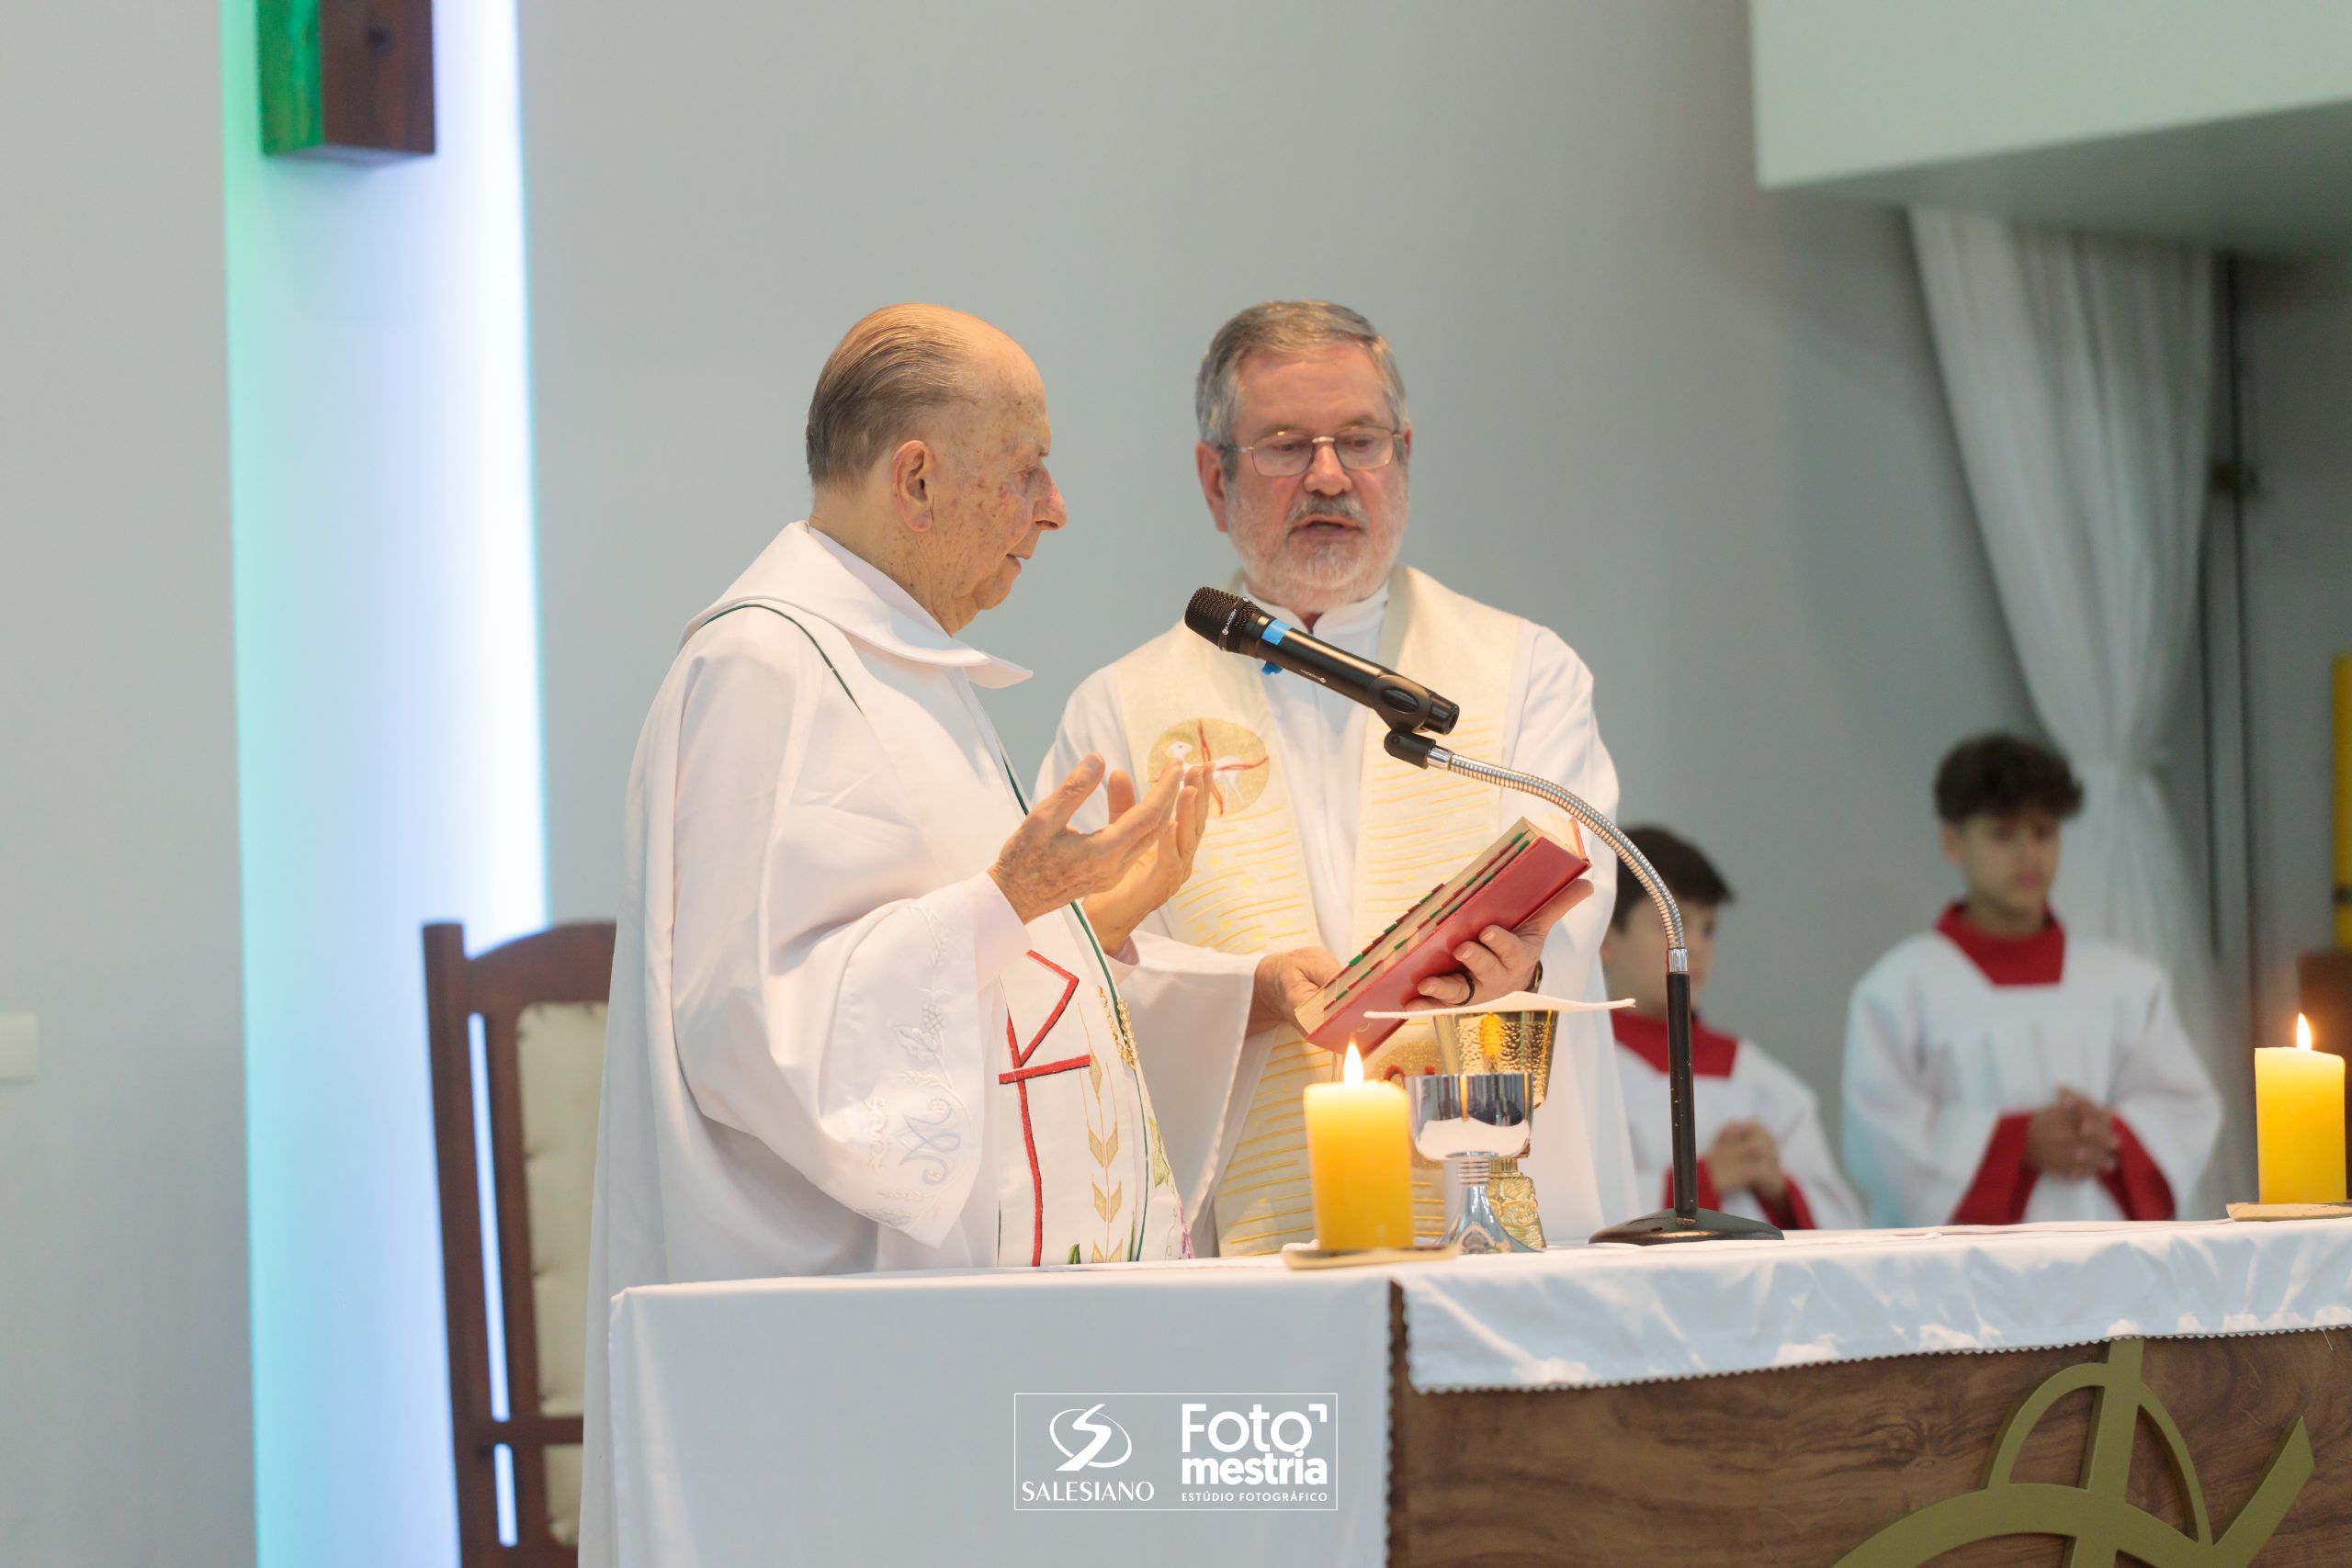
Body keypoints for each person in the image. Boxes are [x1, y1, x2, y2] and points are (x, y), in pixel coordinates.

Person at [580, 305, 1295, 1565]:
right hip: (838, 1360)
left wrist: (1111, 930)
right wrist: (1007, 904)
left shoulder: (907, 674)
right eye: (1027, 470)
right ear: (917, 476)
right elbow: (750, 1027)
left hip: (954, 1349)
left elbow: (956, 964)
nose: (1057, 506)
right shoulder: (765, 669)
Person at [1043, 299, 1635, 1255]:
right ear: (1213, 478)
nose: (1328, 476)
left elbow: (1580, 885)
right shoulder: (1118, 710)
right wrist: (1250, 991)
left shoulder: (1522, 670)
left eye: (1358, 441)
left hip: (1487, 1211)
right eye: (1284, 446)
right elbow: (1078, 966)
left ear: (1402, 456)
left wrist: (1517, 963)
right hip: (1243, 1236)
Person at [1841, 734, 2221, 1227]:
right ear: (1952, 841)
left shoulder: (2128, 984)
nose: (2028, 854)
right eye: (2003, 834)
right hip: (1961, 1284)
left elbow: (2183, 1113)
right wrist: (2019, 1143)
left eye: (2043, 832)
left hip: (2103, 1264)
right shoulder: (1899, 989)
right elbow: (1882, 1143)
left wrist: (2107, 1134)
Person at [1600, 826, 1863, 1230]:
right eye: (1674, 924)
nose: (1698, 945)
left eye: (1708, 929)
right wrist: (1703, 1182)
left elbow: (1842, 1222)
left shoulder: (1757, 1075)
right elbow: (1573, 1205)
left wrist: (1777, 1187)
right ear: (1605, 938)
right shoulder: (1581, 1067)